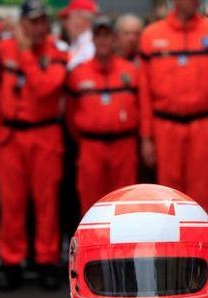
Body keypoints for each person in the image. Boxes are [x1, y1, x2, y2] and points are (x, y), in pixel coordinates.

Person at [0, 0, 68, 289]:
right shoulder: (3, 50)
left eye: (42, 22)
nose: (38, 28)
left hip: (44, 134)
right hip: (11, 136)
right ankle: (12, 262)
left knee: (46, 202)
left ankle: (46, 260)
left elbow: (44, 88)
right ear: (21, 23)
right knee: (12, 204)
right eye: (33, 22)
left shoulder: (58, 51)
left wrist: (25, 54)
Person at [138, 0, 208, 212]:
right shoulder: (152, 35)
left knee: (200, 196)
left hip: (203, 125)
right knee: (167, 198)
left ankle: (200, 244)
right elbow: (144, 93)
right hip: (165, 127)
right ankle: (170, 243)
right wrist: (146, 137)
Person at [67, 15, 139, 214]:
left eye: (107, 36)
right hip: (91, 147)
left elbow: (140, 108)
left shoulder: (131, 72)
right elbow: (71, 114)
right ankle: (92, 245)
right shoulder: (78, 74)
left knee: (125, 204)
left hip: (124, 147)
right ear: (93, 40)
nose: (103, 41)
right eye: (99, 36)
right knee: (91, 205)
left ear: (115, 39)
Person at [60, 0, 98, 70]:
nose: (65, 24)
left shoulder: (90, 47)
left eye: (67, 18)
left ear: (82, 20)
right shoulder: (77, 43)